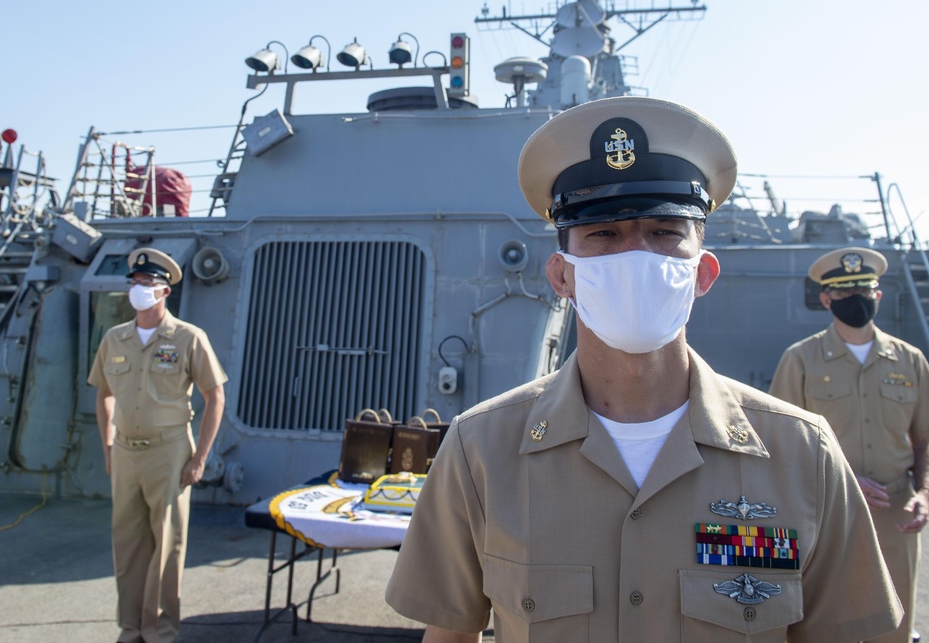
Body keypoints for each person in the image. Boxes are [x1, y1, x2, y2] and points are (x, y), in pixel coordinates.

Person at [385, 97, 902, 642]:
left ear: (702, 273)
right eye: (603, 235)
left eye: (664, 232)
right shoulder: (480, 450)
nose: (636, 255)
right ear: (562, 277)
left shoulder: (803, 453)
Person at [769, 247, 929, 643]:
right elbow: (782, 445)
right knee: (828, 628)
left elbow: (925, 440)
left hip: (895, 512)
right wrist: (843, 484)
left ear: (878, 295)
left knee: (894, 629)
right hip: (828, 515)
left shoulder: (910, 360)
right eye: (846, 293)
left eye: (865, 291)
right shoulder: (800, 360)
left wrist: (925, 493)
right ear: (826, 299)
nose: (858, 300)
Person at [88, 248, 228, 643]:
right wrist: (108, 445)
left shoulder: (187, 338)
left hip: (168, 452)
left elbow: (214, 396)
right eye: (135, 283)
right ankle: (131, 628)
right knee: (127, 544)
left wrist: (199, 458)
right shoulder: (116, 338)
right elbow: (103, 394)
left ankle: (161, 630)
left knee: (166, 544)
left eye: (147, 285)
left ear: (164, 292)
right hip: (126, 452)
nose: (139, 290)